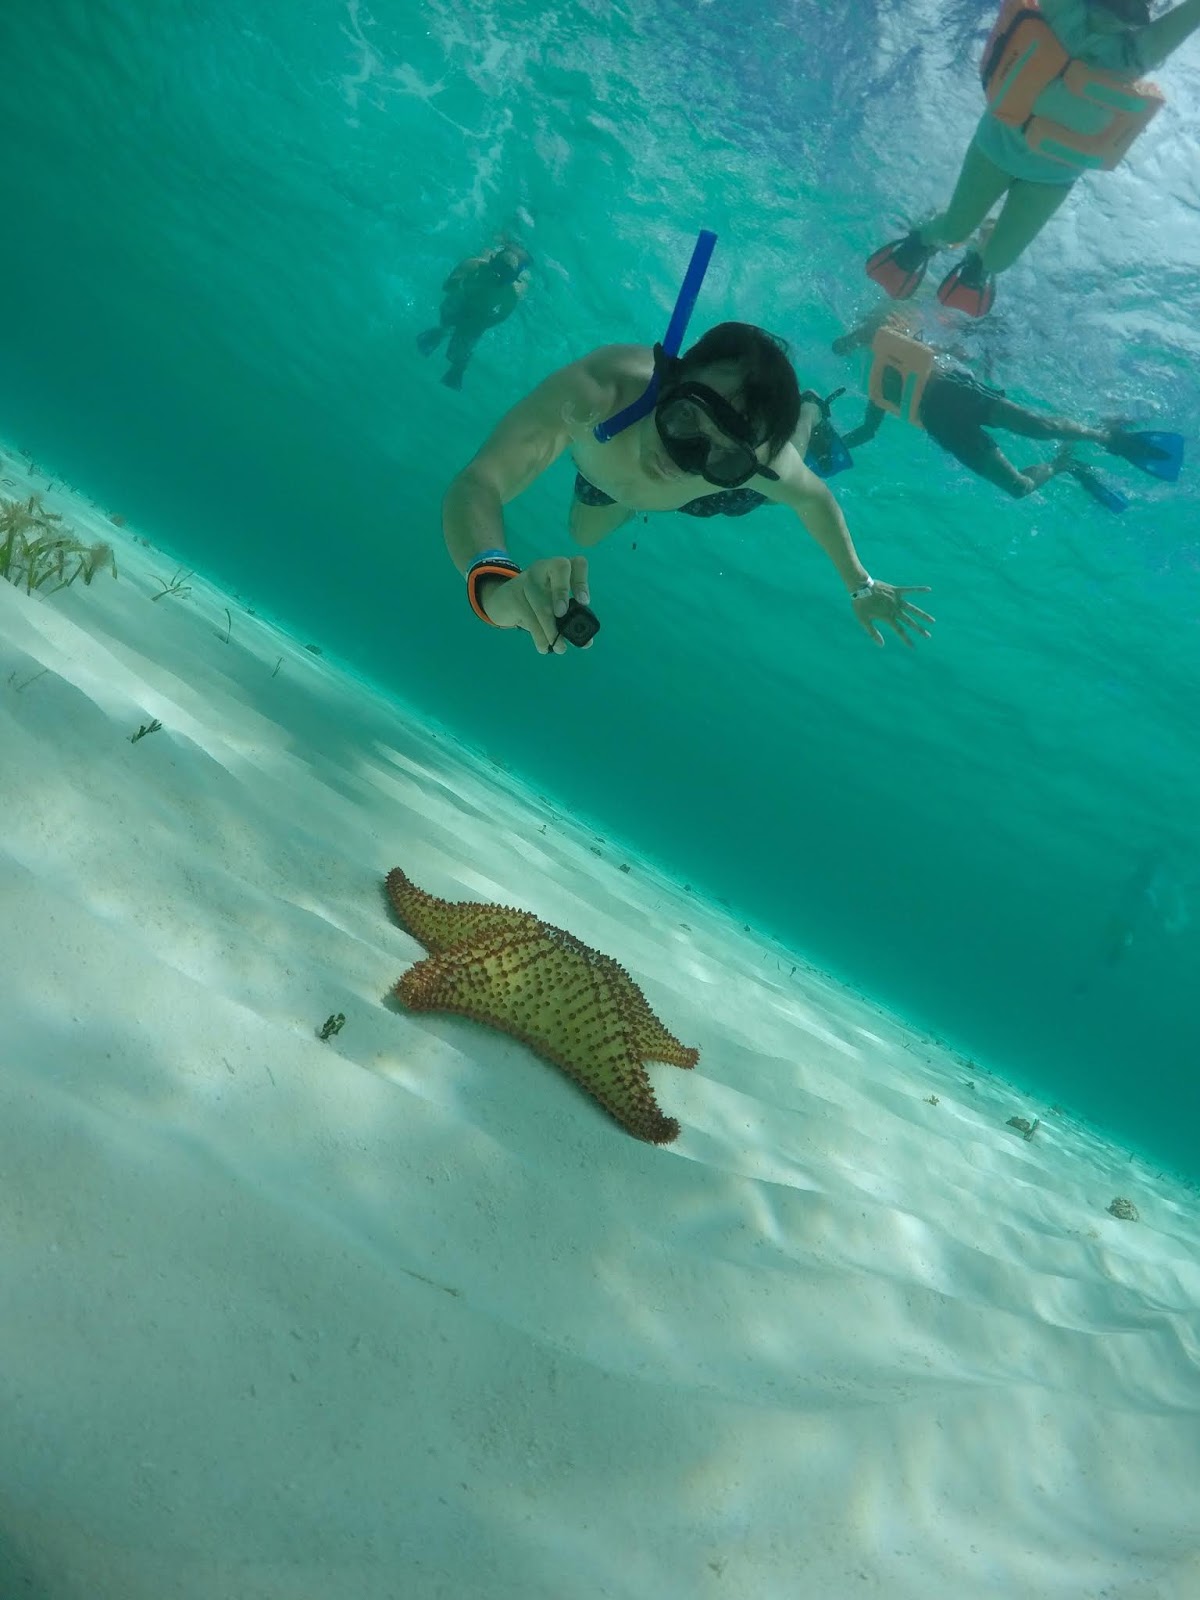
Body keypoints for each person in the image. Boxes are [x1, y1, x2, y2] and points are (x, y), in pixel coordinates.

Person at [442, 321, 934, 655]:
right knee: (583, 536)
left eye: (723, 451)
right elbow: (479, 482)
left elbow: (815, 499)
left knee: (789, 463)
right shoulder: (598, 395)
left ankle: (809, 411)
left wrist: (860, 585)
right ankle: (656, 487)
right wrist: (497, 584)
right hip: (609, 475)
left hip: (718, 494)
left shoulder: (760, 465)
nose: (683, 463)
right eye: (687, 418)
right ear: (667, 378)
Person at [865, 0, 1200, 316]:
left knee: (996, 262)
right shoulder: (1064, 14)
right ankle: (922, 240)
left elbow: (1188, 16)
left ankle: (980, 255)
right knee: (954, 229)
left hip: (1051, 179)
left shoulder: (1135, 53)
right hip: (996, 148)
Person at [831, 309, 1184, 501]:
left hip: (955, 390)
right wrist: (828, 443)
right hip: (941, 426)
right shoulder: (876, 386)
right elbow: (867, 429)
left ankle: (1104, 436)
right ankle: (1062, 465)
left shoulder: (895, 333)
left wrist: (853, 338)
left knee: (1040, 428)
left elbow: (868, 331)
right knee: (1017, 489)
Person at [417, 243, 530, 389]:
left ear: (514, 280)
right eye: (494, 271)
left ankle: (457, 368)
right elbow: (448, 286)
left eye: (501, 279)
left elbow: (500, 317)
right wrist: (461, 292)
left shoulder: (512, 294)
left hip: (480, 316)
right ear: (490, 261)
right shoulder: (473, 266)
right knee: (449, 316)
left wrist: (481, 322)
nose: (495, 278)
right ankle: (442, 331)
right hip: (462, 299)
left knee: (461, 349)